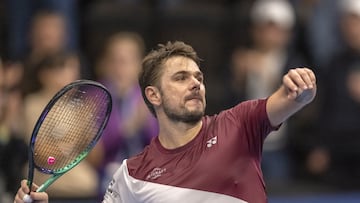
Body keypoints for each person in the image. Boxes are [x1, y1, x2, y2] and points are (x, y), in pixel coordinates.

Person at [14, 41, 316, 203]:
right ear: (153, 95)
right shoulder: (131, 175)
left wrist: (301, 91)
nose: (195, 84)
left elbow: (288, 101)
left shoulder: (239, 124)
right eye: (181, 78)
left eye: (199, 77)